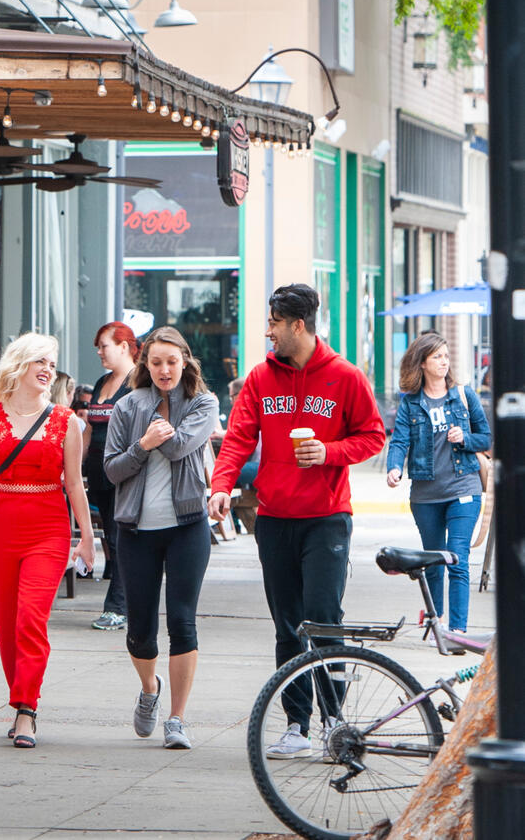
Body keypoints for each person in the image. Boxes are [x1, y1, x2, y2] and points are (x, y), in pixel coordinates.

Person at [209, 284, 385, 759]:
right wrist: (222, 485)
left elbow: (373, 436)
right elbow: (239, 438)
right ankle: (296, 725)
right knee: (287, 626)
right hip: (275, 519)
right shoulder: (261, 379)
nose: (268, 332)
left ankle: (335, 721)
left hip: (327, 518)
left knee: (324, 620)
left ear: (298, 325)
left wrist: (329, 452)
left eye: (273, 323)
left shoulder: (345, 376)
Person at [0, 333, 95, 748]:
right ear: (19, 365)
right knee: (4, 620)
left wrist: (87, 538)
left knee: (31, 618)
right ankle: (20, 696)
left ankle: (26, 709)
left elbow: (74, 484)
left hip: (49, 527)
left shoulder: (66, 421)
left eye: (52, 364)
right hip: (0, 524)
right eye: (40, 361)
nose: (47, 370)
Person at [104, 326, 218, 750]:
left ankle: (177, 718)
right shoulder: (127, 405)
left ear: (185, 361)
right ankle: (149, 688)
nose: (165, 370)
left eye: (172, 361)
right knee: (140, 631)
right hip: (136, 530)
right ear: (144, 364)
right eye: (156, 362)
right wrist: (142, 445)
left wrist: (156, 438)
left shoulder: (203, 403)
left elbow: (181, 447)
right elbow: (112, 470)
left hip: (188, 526)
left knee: (183, 623)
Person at [386, 332, 491, 632]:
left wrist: (466, 438)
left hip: (463, 489)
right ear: (422, 363)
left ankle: (458, 631)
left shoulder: (463, 395)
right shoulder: (411, 404)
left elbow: (486, 437)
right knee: (433, 562)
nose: (444, 362)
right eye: (437, 357)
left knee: (457, 557)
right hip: (425, 495)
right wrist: (394, 468)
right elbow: (399, 441)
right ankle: (438, 622)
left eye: (446, 356)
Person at [84, 321, 140, 631]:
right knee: (113, 539)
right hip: (98, 474)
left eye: (104, 346)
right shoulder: (101, 382)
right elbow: (90, 429)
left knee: (121, 540)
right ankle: (122, 604)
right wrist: (74, 468)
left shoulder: (138, 384)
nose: (99, 352)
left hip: (124, 473)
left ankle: (118, 606)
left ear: (123, 346)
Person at [228, 377, 260, 488]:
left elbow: (242, 438)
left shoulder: (248, 410)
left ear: (240, 393)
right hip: (261, 465)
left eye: (232, 397)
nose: (232, 402)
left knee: (226, 470)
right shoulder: (255, 406)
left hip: (262, 466)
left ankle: (227, 504)